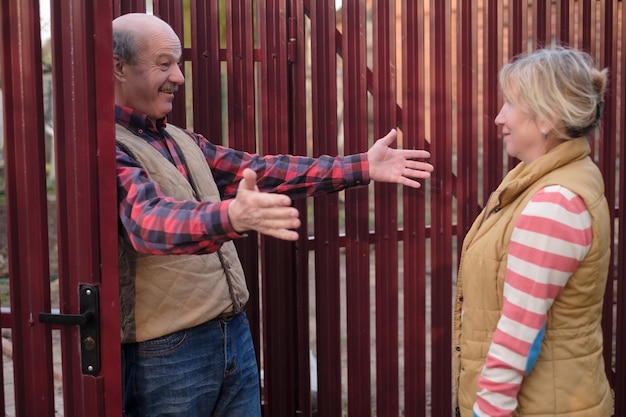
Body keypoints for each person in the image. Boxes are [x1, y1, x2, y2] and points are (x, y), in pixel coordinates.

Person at [112, 12, 433, 417]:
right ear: (118, 68)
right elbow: (148, 222)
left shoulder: (179, 139)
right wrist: (231, 217)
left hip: (232, 335)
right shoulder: (109, 146)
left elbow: (264, 170)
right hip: (165, 356)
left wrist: (362, 167)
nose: (179, 76)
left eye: (178, 63)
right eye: (164, 64)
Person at [453, 46, 613, 417]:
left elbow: (520, 332)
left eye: (510, 103)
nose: (498, 117)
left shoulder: (554, 201)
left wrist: (487, 411)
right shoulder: (550, 178)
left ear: (548, 118)